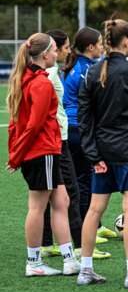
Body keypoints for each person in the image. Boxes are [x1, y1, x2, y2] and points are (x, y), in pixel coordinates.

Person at [76, 18, 128, 288]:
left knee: (94, 209)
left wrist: (93, 155)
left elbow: (85, 118)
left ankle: (85, 270)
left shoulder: (92, 72)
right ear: (126, 42)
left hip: (101, 151)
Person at [6, 32, 80, 277]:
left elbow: (17, 124)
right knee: (37, 207)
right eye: (55, 50)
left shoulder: (30, 79)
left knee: (62, 201)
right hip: (42, 152)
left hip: (46, 151)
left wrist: (16, 152)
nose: (58, 53)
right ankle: (34, 263)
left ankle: (69, 260)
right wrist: (16, 156)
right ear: (45, 54)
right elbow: (33, 125)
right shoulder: (40, 83)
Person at [63, 27, 113, 257]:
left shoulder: (81, 65)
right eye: (100, 43)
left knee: (86, 178)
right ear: (91, 47)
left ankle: (95, 226)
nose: (102, 46)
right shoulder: (85, 70)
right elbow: (92, 101)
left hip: (75, 128)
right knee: (84, 181)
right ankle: (86, 231)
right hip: (78, 129)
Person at [40, 30, 84, 260]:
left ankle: (47, 244)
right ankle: (80, 248)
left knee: (48, 194)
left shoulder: (49, 71)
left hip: (55, 139)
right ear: (52, 50)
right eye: (64, 47)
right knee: (70, 193)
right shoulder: (48, 74)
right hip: (57, 140)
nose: (67, 51)